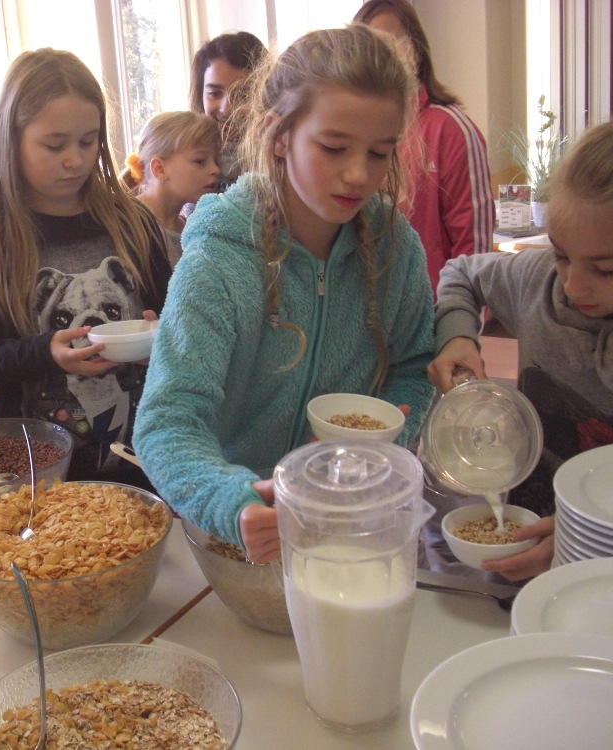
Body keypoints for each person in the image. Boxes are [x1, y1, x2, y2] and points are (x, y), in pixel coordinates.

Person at [134, 25, 436, 563]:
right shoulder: (220, 259)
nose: (357, 174)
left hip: (351, 521)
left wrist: (372, 448)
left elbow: (412, 369)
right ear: (279, 135)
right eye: (334, 146)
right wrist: (233, 501)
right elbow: (168, 420)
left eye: (380, 153)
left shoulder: (397, 249)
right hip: (238, 536)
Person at [427, 116, 613, 581]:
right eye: (561, 254)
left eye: (606, 269)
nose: (574, 284)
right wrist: (459, 335)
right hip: (526, 530)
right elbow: (461, 274)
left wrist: (589, 537)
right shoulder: (536, 282)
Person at [0, 48, 172, 487]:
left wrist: (158, 332)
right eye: (54, 145)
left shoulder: (134, 221)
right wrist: (44, 351)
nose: (75, 160)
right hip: (35, 475)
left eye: (88, 141)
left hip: (146, 463)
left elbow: (176, 320)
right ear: (12, 139)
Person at [355, 0, 495, 295]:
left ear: (415, 51)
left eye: (390, 44)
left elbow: (474, 251)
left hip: (434, 315)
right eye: (367, 45)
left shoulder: (451, 128)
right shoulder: (353, 132)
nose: (379, 57)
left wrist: (462, 327)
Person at [122, 111, 221, 266]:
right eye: (200, 161)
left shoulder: (190, 230)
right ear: (160, 169)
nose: (215, 169)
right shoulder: (126, 225)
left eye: (215, 160)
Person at [188, 31, 268, 191]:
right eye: (214, 94)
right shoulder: (182, 157)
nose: (227, 108)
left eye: (243, 94)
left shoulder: (281, 158)